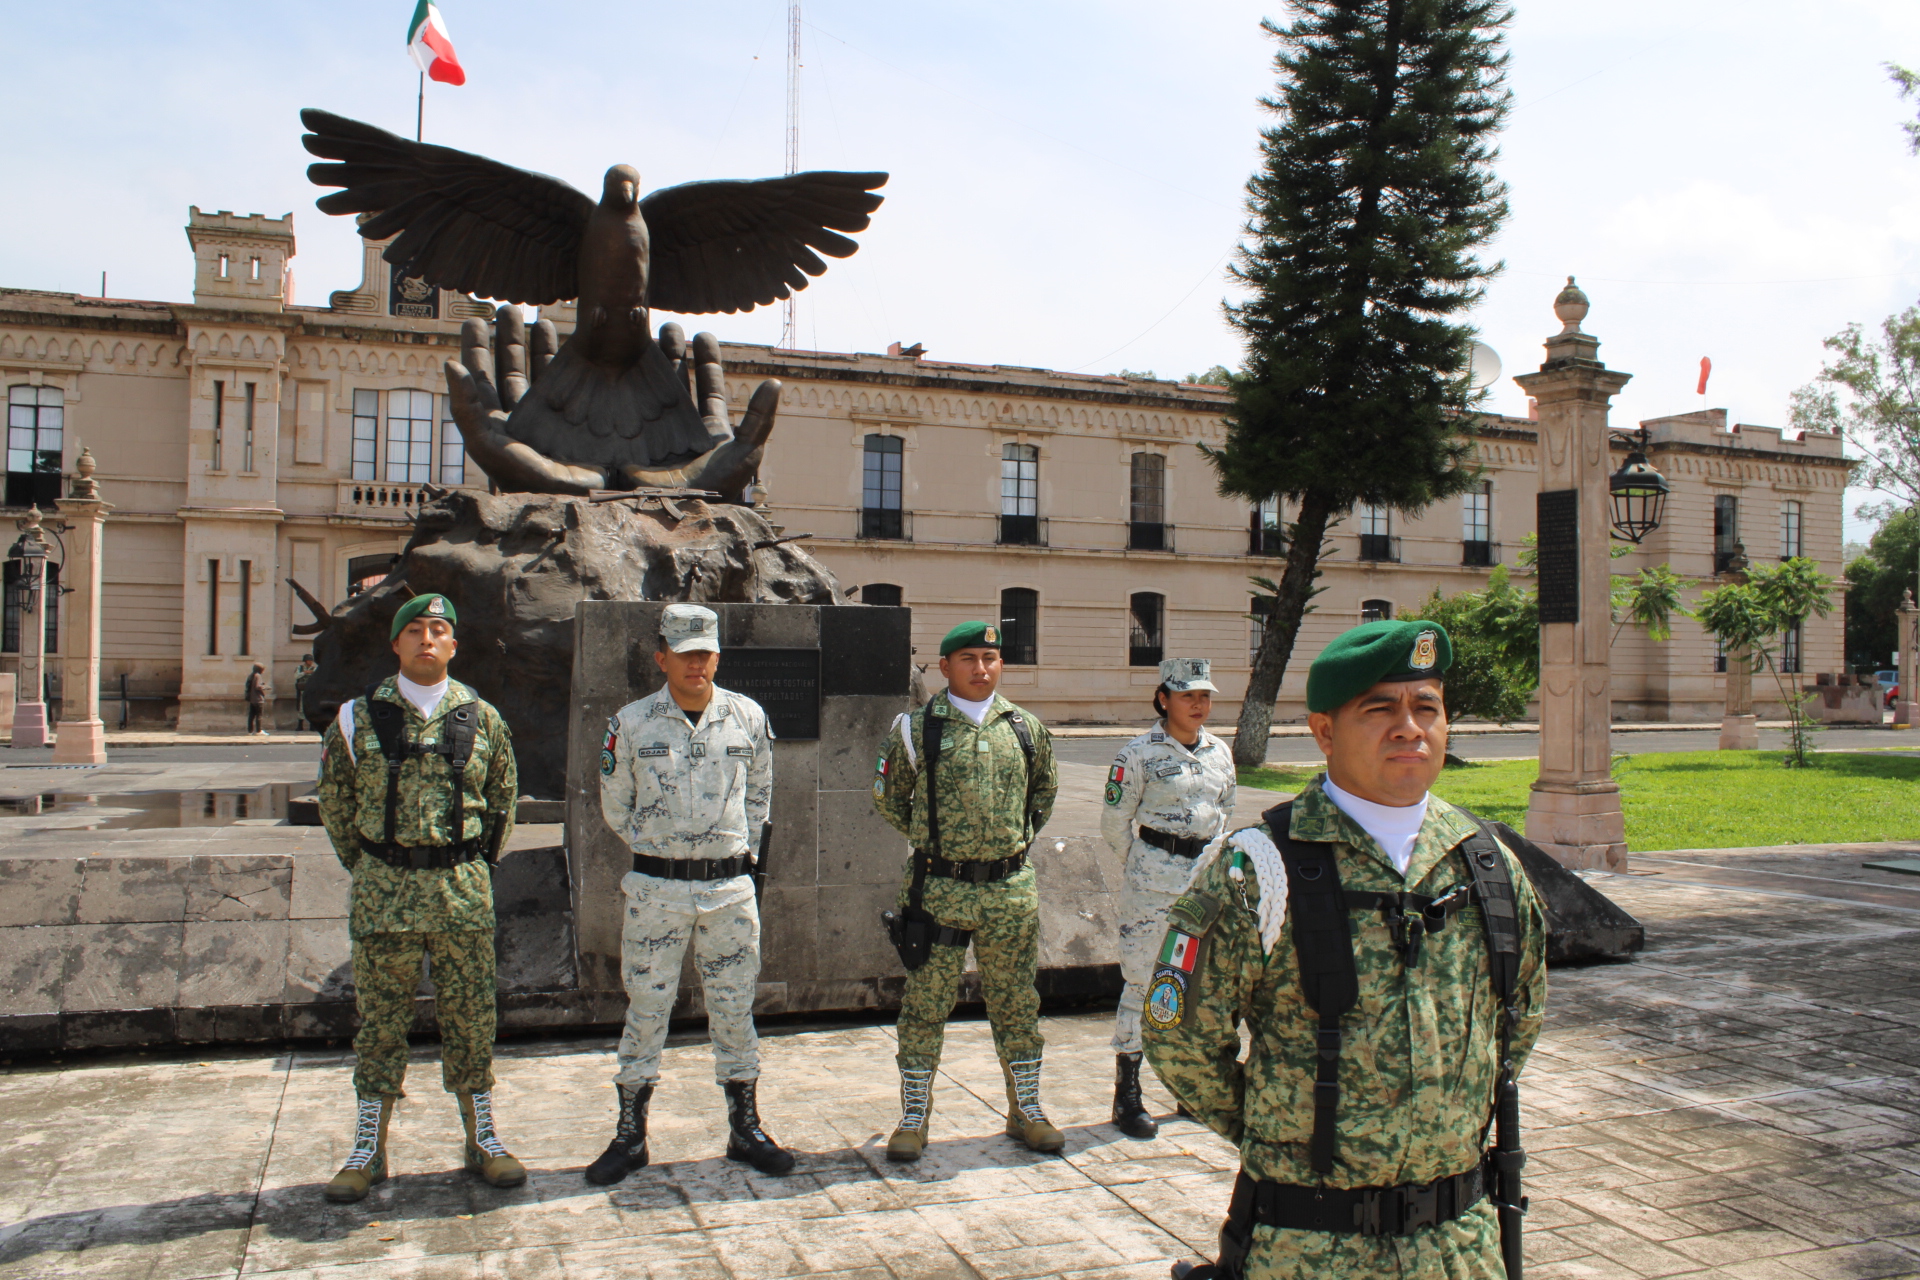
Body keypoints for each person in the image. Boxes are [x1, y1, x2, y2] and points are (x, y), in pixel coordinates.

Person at [1146, 620, 1547, 1279]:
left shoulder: (1487, 867)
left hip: (1461, 1247)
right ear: (1325, 732)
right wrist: (1280, 1130)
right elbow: (1179, 1038)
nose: (1409, 728)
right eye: (1380, 709)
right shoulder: (1259, 868)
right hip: (1311, 1248)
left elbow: (1519, 1016)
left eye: (1426, 708)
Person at [315, 592, 524, 1203]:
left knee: (472, 1020)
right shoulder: (356, 718)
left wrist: (474, 863)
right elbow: (335, 802)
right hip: (384, 896)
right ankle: (368, 1147)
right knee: (380, 1024)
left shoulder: (482, 718)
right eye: (415, 630)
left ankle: (482, 1137)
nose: (426, 638)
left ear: (454, 644)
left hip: (461, 895)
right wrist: (372, 865)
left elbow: (503, 802)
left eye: (438, 629)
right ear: (396, 644)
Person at [589, 603, 793, 1184]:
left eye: (704, 653)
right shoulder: (631, 723)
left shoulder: (747, 716)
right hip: (657, 890)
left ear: (717, 657)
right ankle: (630, 1135)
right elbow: (616, 806)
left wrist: (737, 855)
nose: (695, 663)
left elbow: (761, 795)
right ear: (662, 658)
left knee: (734, 1006)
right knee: (647, 1008)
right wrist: (664, 846)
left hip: (728, 890)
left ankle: (745, 1128)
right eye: (684, 654)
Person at [872, 620, 1061, 1161]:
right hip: (938, 892)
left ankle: (1027, 1109)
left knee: (1017, 1003)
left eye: (990, 658)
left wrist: (1004, 847)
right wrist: (941, 845)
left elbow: (1043, 797)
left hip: (1009, 892)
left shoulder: (1025, 728)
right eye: (969, 659)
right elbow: (889, 799)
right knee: (925, 1005)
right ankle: (913, 1117)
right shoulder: (915, 729)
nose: (982, 668)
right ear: (945, 666)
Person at [1099, 657, 1237, 1140]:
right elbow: (1114, 824)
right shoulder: (1137, 754)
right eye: (1187, 696)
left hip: (1204, 885)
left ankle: (1187, 1083)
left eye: (1204, 696)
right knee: (1143, 982)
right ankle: (1128, 1092)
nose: (1198, 704)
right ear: (1163, 699)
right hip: (1152, 887)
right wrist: (1145, 864)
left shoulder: (1220, 752)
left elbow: (1225, 812)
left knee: (1198, 985)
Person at [294, 654, 317, 731]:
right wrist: (305, 672)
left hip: (312, 691)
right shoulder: (299, 668)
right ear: (305, 661)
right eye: (309, 660)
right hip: (302, 691)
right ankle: (300, 725)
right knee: (301, 708)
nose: (310, 662)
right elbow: (296, 676)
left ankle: (312, 726)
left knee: (312, 707)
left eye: (311, 661)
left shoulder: (315, 669)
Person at [245, 663, 268, 735]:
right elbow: (257, 686)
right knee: (259, 716)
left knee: (251, 716)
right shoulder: (258, 676)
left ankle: (250, 731)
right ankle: (259, 730)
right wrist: (264, 687)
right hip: (258, 699)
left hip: (252, 699)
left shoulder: (251, 676)